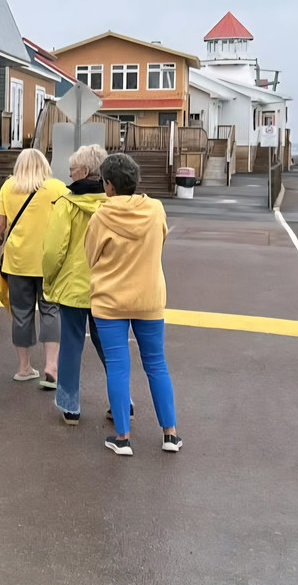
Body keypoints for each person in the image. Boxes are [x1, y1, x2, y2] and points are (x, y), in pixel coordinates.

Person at [86, 153, 180, 456]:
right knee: (156, 363)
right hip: (149, 298)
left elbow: (91, 256)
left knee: (117, 366)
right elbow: (161, 241)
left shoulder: (101, 217)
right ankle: (170, 434)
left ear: (109, 185)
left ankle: (123, 438)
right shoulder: (155, 210)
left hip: (110, 300)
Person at [0, 148, 68, 385]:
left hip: (17, 261)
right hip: (48, 261)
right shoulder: (57, 188)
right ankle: (52, 366)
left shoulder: (8, 187)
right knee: (51, 310)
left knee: (21, 313)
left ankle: (24, 367)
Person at [42, 145, 113, 425]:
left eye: (72, 169)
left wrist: (49, 278)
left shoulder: (67, 204)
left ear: (83, 171)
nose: (69, 174)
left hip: (73, 285)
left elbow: (53, 251)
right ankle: (121, 401)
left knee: (71, 344)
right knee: (110, 346)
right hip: (107, 284)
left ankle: (70, 405)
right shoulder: (114, 204)